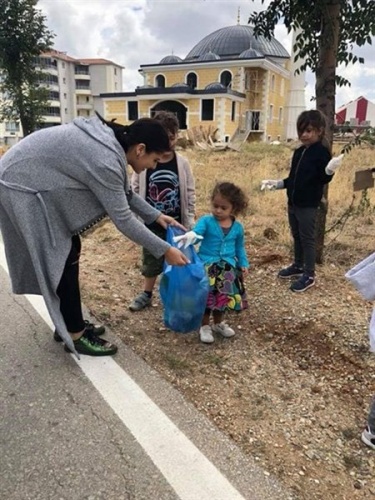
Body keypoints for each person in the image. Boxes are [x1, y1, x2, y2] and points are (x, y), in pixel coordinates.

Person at [0, 113, 189, 358]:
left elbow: (124, 194)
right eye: (154, 160)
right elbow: (123, 219)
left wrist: (156, 216)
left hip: (29, 177)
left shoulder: (113, 145)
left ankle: (69, 324)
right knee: (63, 252)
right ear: (141, 149)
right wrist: (165, 250)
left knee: (69, 250)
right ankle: (75, 334)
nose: (153, 167)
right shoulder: (106, 158)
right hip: (21, 185)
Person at [261, 109, 343, 293]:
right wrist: (277, 184)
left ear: (319, 131)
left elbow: (323, 178)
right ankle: (297, 265)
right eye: (301, 131)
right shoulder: (299, 152)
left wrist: (329, 171)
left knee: (307, 239)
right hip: (293, 202)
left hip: (308, 205)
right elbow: (293, 178)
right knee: (296, 235)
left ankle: (309, 274)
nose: (304, 135)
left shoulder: (321, 153)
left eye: (309, 131)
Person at [129, 110, 196, 311]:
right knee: (151, 260)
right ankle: (147, 294)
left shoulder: (182, 163)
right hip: (151, 222)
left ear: (177, 136)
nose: (167, 144)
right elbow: (134, 189)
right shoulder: (145, 159)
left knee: (178, 258)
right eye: (163, 138)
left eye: (171, 138)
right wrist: (138, 217)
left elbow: (190, 192)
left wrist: (189, 218)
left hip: (176, 222)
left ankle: (177, 294)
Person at [176, 182, 249, 344]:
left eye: (223, 208)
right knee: (206, 298)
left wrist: (243, 263)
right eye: (215, 206)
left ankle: (218, 324)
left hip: (228, 269)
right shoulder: (206, 221)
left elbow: (239, 247)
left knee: (222, 298)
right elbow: (197, 232)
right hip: (208, 267)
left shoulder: (237, 227)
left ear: (233, 208)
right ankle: (204, 326)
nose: (218, 210)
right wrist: (190, 236)